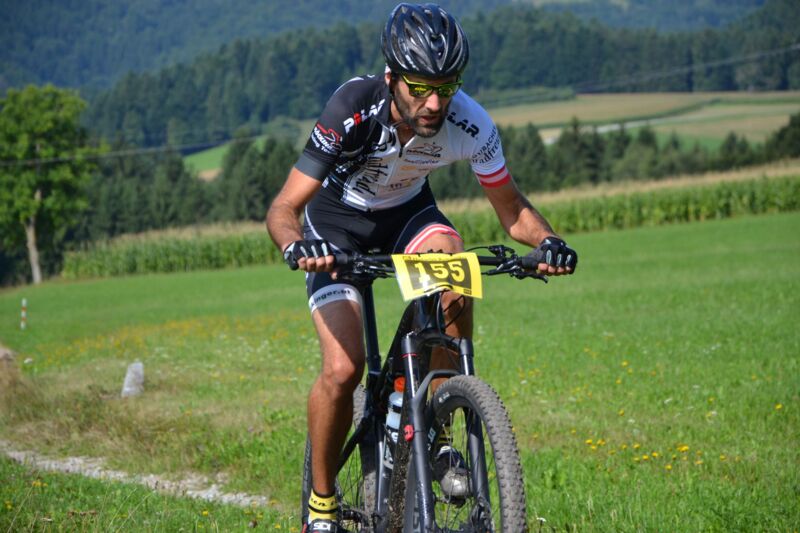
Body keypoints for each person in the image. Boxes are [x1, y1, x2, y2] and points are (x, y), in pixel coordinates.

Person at [266, 3, 577, 531]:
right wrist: (296, 245)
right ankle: (321, 504)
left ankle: (437, 429)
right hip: (335, 228)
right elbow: (284, 207)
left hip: (408, 217)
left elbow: (512, 210)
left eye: (446, 87)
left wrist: (548, 241)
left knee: (455, 268)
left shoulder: (470, 123)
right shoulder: (352, 107)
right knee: (343, 370)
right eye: (420, 88)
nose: (434, 103)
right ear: (392, 78)